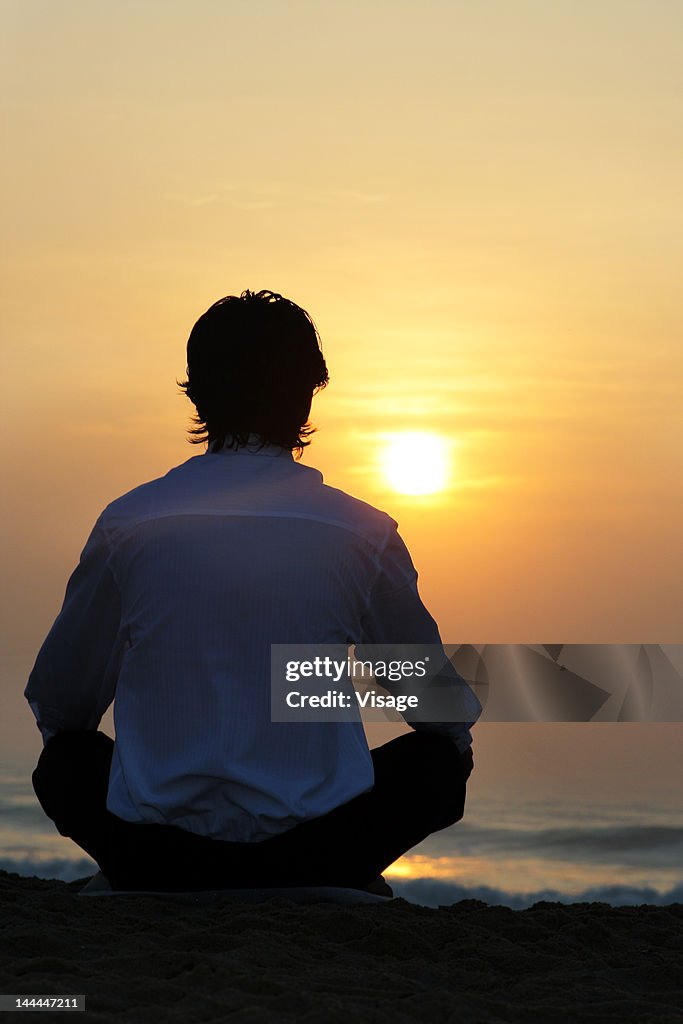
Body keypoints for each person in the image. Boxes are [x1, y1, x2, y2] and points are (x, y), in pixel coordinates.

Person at [25, 289, 481, 893]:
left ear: (197, 391)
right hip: (318, 851)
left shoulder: (128, 524)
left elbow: (62, 706)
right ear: (308, 390)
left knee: (66, 764)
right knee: (438, 764)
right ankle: (335, 878)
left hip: (158, 856)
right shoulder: (362, 531)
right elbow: (433, 705)